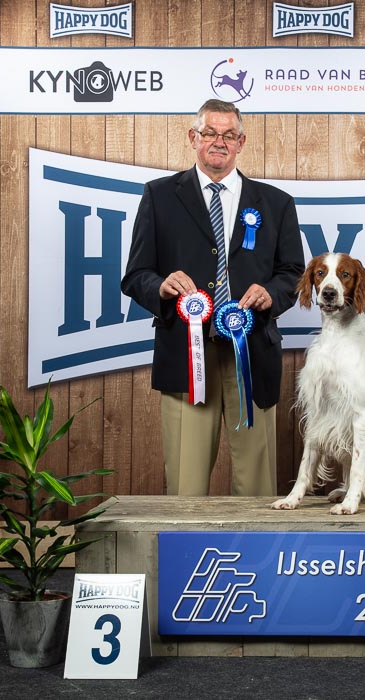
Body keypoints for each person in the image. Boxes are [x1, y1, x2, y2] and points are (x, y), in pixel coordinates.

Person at [122, 99, 304, 497]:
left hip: (253, 354)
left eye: (229, 135)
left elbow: (293, 274)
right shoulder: (159, 196)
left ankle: (256, 539)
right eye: (209, 133)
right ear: (193, 137)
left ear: (241, 142)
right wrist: (161, 287)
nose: (219, 142)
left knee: (257, 486)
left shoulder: (276, 203)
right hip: (185, 356)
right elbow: (135, 275)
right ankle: (186, 540)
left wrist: (270, 293)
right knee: (185, 485)